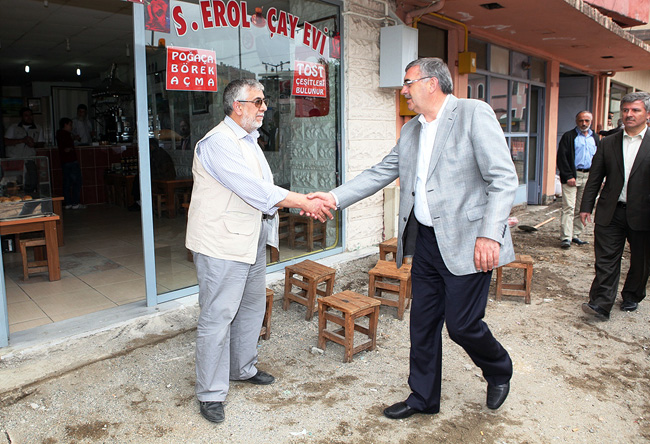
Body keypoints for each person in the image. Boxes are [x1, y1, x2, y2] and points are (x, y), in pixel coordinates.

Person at [307, 58, 518, 418]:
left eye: (408, 82)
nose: (403, 90)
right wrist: (334, 198)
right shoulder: (412, 130)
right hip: (426, 243)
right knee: (422, 323)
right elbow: (381, 172)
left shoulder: (472, 114)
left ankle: (499, 369)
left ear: (432, 83)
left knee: (463, 326)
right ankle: (422, 398)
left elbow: (503, 178)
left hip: (469, 241)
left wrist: (489, 235)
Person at [185, 78, 334, 424]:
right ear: (237, 106)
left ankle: (242, 367)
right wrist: (303, 201)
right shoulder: (218, 143)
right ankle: (210, 392)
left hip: (248, 239)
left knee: (251, 307)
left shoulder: (248, 140)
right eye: (258, 101)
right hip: (221, 244)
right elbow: (253, 189)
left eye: (263, 101)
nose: (264, 107)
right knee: (218, 315)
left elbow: (263, 188)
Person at [580, 92, 650, 320]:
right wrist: (586, 206)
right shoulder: (608, 142)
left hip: (644, 214)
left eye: (635, 110)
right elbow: (595, 178)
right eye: (626, 110)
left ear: (647, 114)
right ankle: (600, 304)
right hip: (611, 211)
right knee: (605, 260)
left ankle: (632, 294)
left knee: (641, 260)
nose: (629, 114)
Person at [556, 111, 599, 249]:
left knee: (583, 207)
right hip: (572, 176)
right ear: (576, 121)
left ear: (591, 121)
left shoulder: (595, 138)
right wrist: (568, 175)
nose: (584, 123)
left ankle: (576, 234)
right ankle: (566, 237)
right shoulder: (569, 137)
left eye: (586, 120)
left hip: (589, 176)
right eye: (581, 120)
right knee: (568, 206)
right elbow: (561, 157)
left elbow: (600, 158)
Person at [128, 138, 176, 211]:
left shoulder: (158, 154)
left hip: (163, 178)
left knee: (140, 180)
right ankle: (139, 201)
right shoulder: (156, 153)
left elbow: (159, 169)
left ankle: (140, 202)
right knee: (138, 179)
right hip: (159, 176)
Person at [56, 118, 84, 209]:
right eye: (70, 125)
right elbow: (66, 148)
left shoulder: (60, 134)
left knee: (67, 183)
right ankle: (75, 203)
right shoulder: (66, 135)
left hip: (64, 161)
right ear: (65, 125)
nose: (71, 127)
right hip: (71, 160)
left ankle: (68, 203)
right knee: (76, 182)